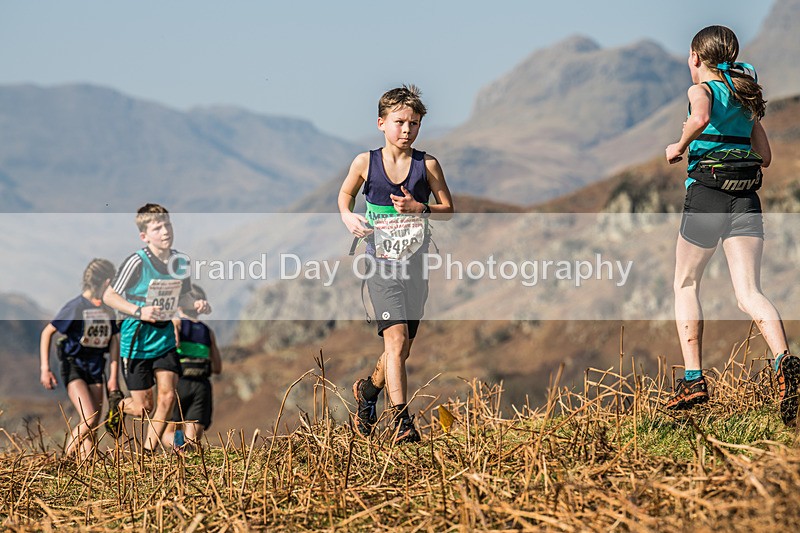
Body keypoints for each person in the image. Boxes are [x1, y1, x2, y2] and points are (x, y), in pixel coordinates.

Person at [665, 25, 799, 424]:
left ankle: (693, 379)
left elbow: (701, 117)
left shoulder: (700, 90)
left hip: (707, 196)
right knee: (750, 292)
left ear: (695, 58)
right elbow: (766, 157)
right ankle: (785, 364)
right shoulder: (745, 97)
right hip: (745, 198)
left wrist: (679, 145)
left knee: (686, 283)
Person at [338, 85, 454, 443]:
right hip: (380, 266)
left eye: (414, 123)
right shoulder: (365, 163)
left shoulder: (427, 165)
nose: (407, 129)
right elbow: (345, 195)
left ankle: (368, 392)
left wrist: (421, 208)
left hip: (415, 267)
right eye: (400, 122)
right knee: (396, 339)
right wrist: (347, 216)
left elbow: (448, 209)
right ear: (381, 123)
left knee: (400, 350)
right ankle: (402, 423)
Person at [103, 204, 211, 452]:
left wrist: (196, 304)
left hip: (164, 339)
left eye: (167, 225)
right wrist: (139, 311)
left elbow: (183, 297)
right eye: (157, 228)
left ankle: (148, 452)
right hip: (136, 341)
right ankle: (119, 406)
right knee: (144, 408)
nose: (165, 231)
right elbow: (109, 296)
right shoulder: (136, 262)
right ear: (144, 236)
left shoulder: (180, 262)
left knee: (168, 397)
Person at [39, 258, 121, 457]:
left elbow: (113, 341)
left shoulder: (107, 309)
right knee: (90, 418)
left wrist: (113, 376)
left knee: (94, 425)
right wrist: (45, 368)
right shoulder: (75, 307)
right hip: (74, 365)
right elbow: (48, 332)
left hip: (96, 367)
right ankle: (65, 461)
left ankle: (86, 465)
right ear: (107, 282)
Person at [161, 285, 222, 451]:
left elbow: (172, 346)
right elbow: (217, 367)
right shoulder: (208, 332)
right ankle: (186, 451)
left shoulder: (177, 323)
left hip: (179, 383)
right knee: (193, 440)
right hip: (202, 386)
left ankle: (178, 445)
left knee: (167, 433)